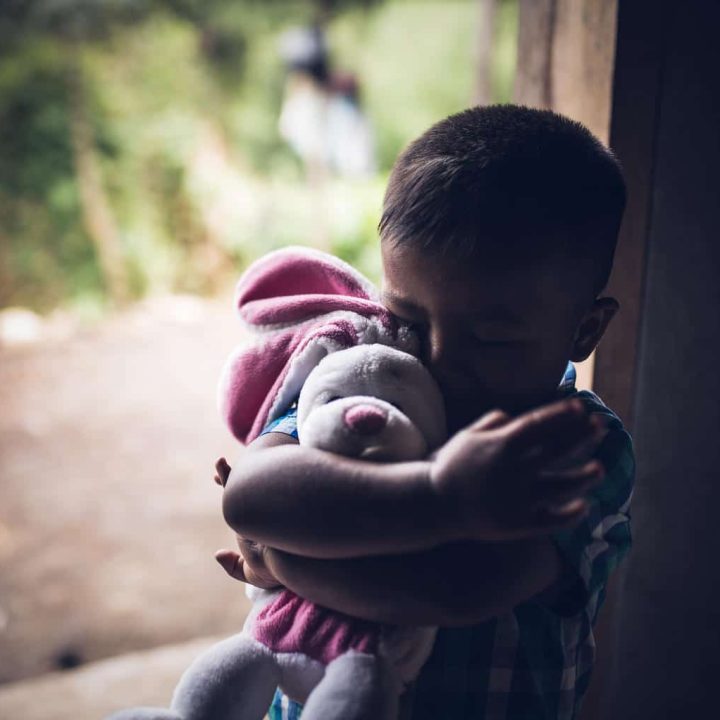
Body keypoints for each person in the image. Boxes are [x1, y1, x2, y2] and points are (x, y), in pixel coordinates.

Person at [215, 105, 634, 720]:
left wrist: (281, 555)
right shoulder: (369, 381)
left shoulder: (578, 449)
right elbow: (250, 496)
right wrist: (438, 495)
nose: (440, 359)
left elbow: (457, 586)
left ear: (584, 330)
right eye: (408, 320)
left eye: (492, 337)